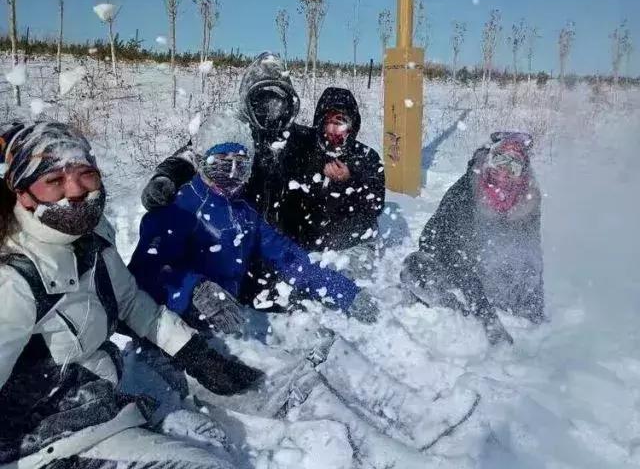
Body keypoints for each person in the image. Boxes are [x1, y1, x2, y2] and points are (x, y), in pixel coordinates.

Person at [0, 121, 251, 469]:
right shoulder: (13, 281)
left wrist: (195, 353)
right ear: (22, 193)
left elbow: (133, 302)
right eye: (54, 180)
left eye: (85, 175)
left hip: (95, 406)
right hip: (43, 453)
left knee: (213, 437)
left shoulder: (92, 243)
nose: (75, 192)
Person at [128, 113, 379, 327]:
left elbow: (288, 258)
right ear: (203, 162)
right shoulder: (180, 208)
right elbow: (143, 274)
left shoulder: (244, 213)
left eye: (242, 165)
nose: (233, 174)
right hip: (172, 328)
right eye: (222, 164)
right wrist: (194, 291)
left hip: (229, 322)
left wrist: (346, 292)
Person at [400, 131, 544, 345]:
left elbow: (532, 257)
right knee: (415, 266)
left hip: (490, 275)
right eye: (500, 160)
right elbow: (451, 252)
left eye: (513, 166)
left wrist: (537, 317)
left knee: (524, 274)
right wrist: (487, 317)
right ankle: (458, 318)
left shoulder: (526, 201)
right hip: (449, 268)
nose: (504, 171)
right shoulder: (467, 190)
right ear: (489, 161)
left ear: (523, 174)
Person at [141, 51, 307, 228]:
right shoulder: (230, 127)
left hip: (284, 237)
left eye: (276, 104)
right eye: (262, 101)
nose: (269, 111)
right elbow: (192, 154)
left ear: (288, 104)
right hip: (234, 230)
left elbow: (323, 148)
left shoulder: (297, 137)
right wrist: (167, 176)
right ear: (248, 99)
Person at [278, 86, 385, 254]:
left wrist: (350, 181)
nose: (333, 130)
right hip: (304, 246)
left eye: (340, 122)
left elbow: (376, 205)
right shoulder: (303, 146)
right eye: (328, 122)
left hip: (352, 246)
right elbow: (279, 130)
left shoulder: (366, 157)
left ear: (352, 125)